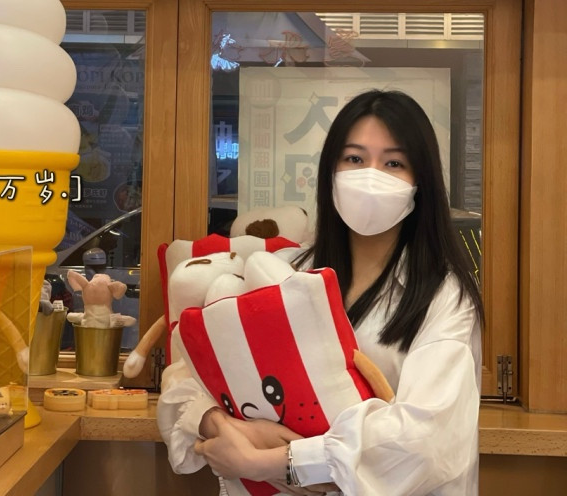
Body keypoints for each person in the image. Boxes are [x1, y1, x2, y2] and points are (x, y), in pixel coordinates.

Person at [157, 89, 484, 496]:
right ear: (330, 171)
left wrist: (273, 461)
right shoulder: (282, 270)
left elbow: (427, 440)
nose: (371, 176)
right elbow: (185, 375)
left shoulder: (444, 296)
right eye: (355, 159)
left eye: (394, 163)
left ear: (420, 183)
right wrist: (218, 424)